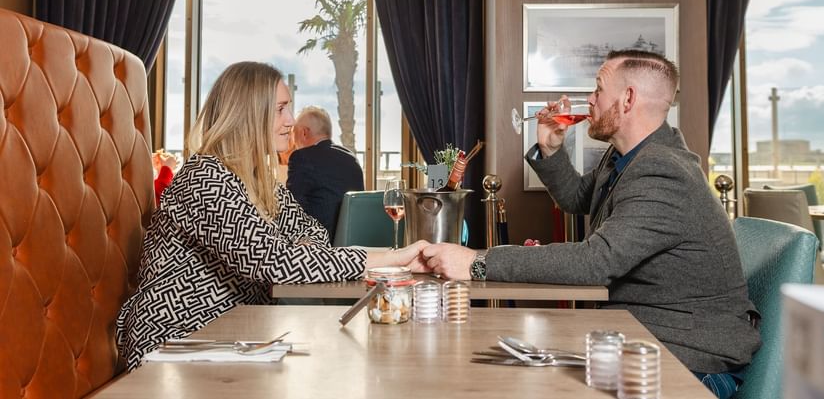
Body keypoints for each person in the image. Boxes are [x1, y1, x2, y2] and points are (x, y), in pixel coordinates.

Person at [420, 50, 760, 398]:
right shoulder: (626, 157)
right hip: (643, 336)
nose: (589, 99)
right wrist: (551, 149)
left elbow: (595, 262)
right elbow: (577, 199)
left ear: (627, 99)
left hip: (690, 361)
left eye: (598, 89)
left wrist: (477, 261)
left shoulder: (663, 170)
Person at [116, 62, 426, 371]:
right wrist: (394, 259)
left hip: (232, 340)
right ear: (247, 112)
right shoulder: (205, 177)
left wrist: (297, 250)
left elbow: (313, 231)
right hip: (173, 342)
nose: (290, 121)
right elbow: (275, 263)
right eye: (280, 109)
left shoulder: (258, 181)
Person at [287, 106, 364, 243]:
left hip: (317, 246)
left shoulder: (301, 157)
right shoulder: (351, 158)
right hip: (353, 245)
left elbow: (291, 207)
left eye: (294, 133)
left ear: (304, 133)